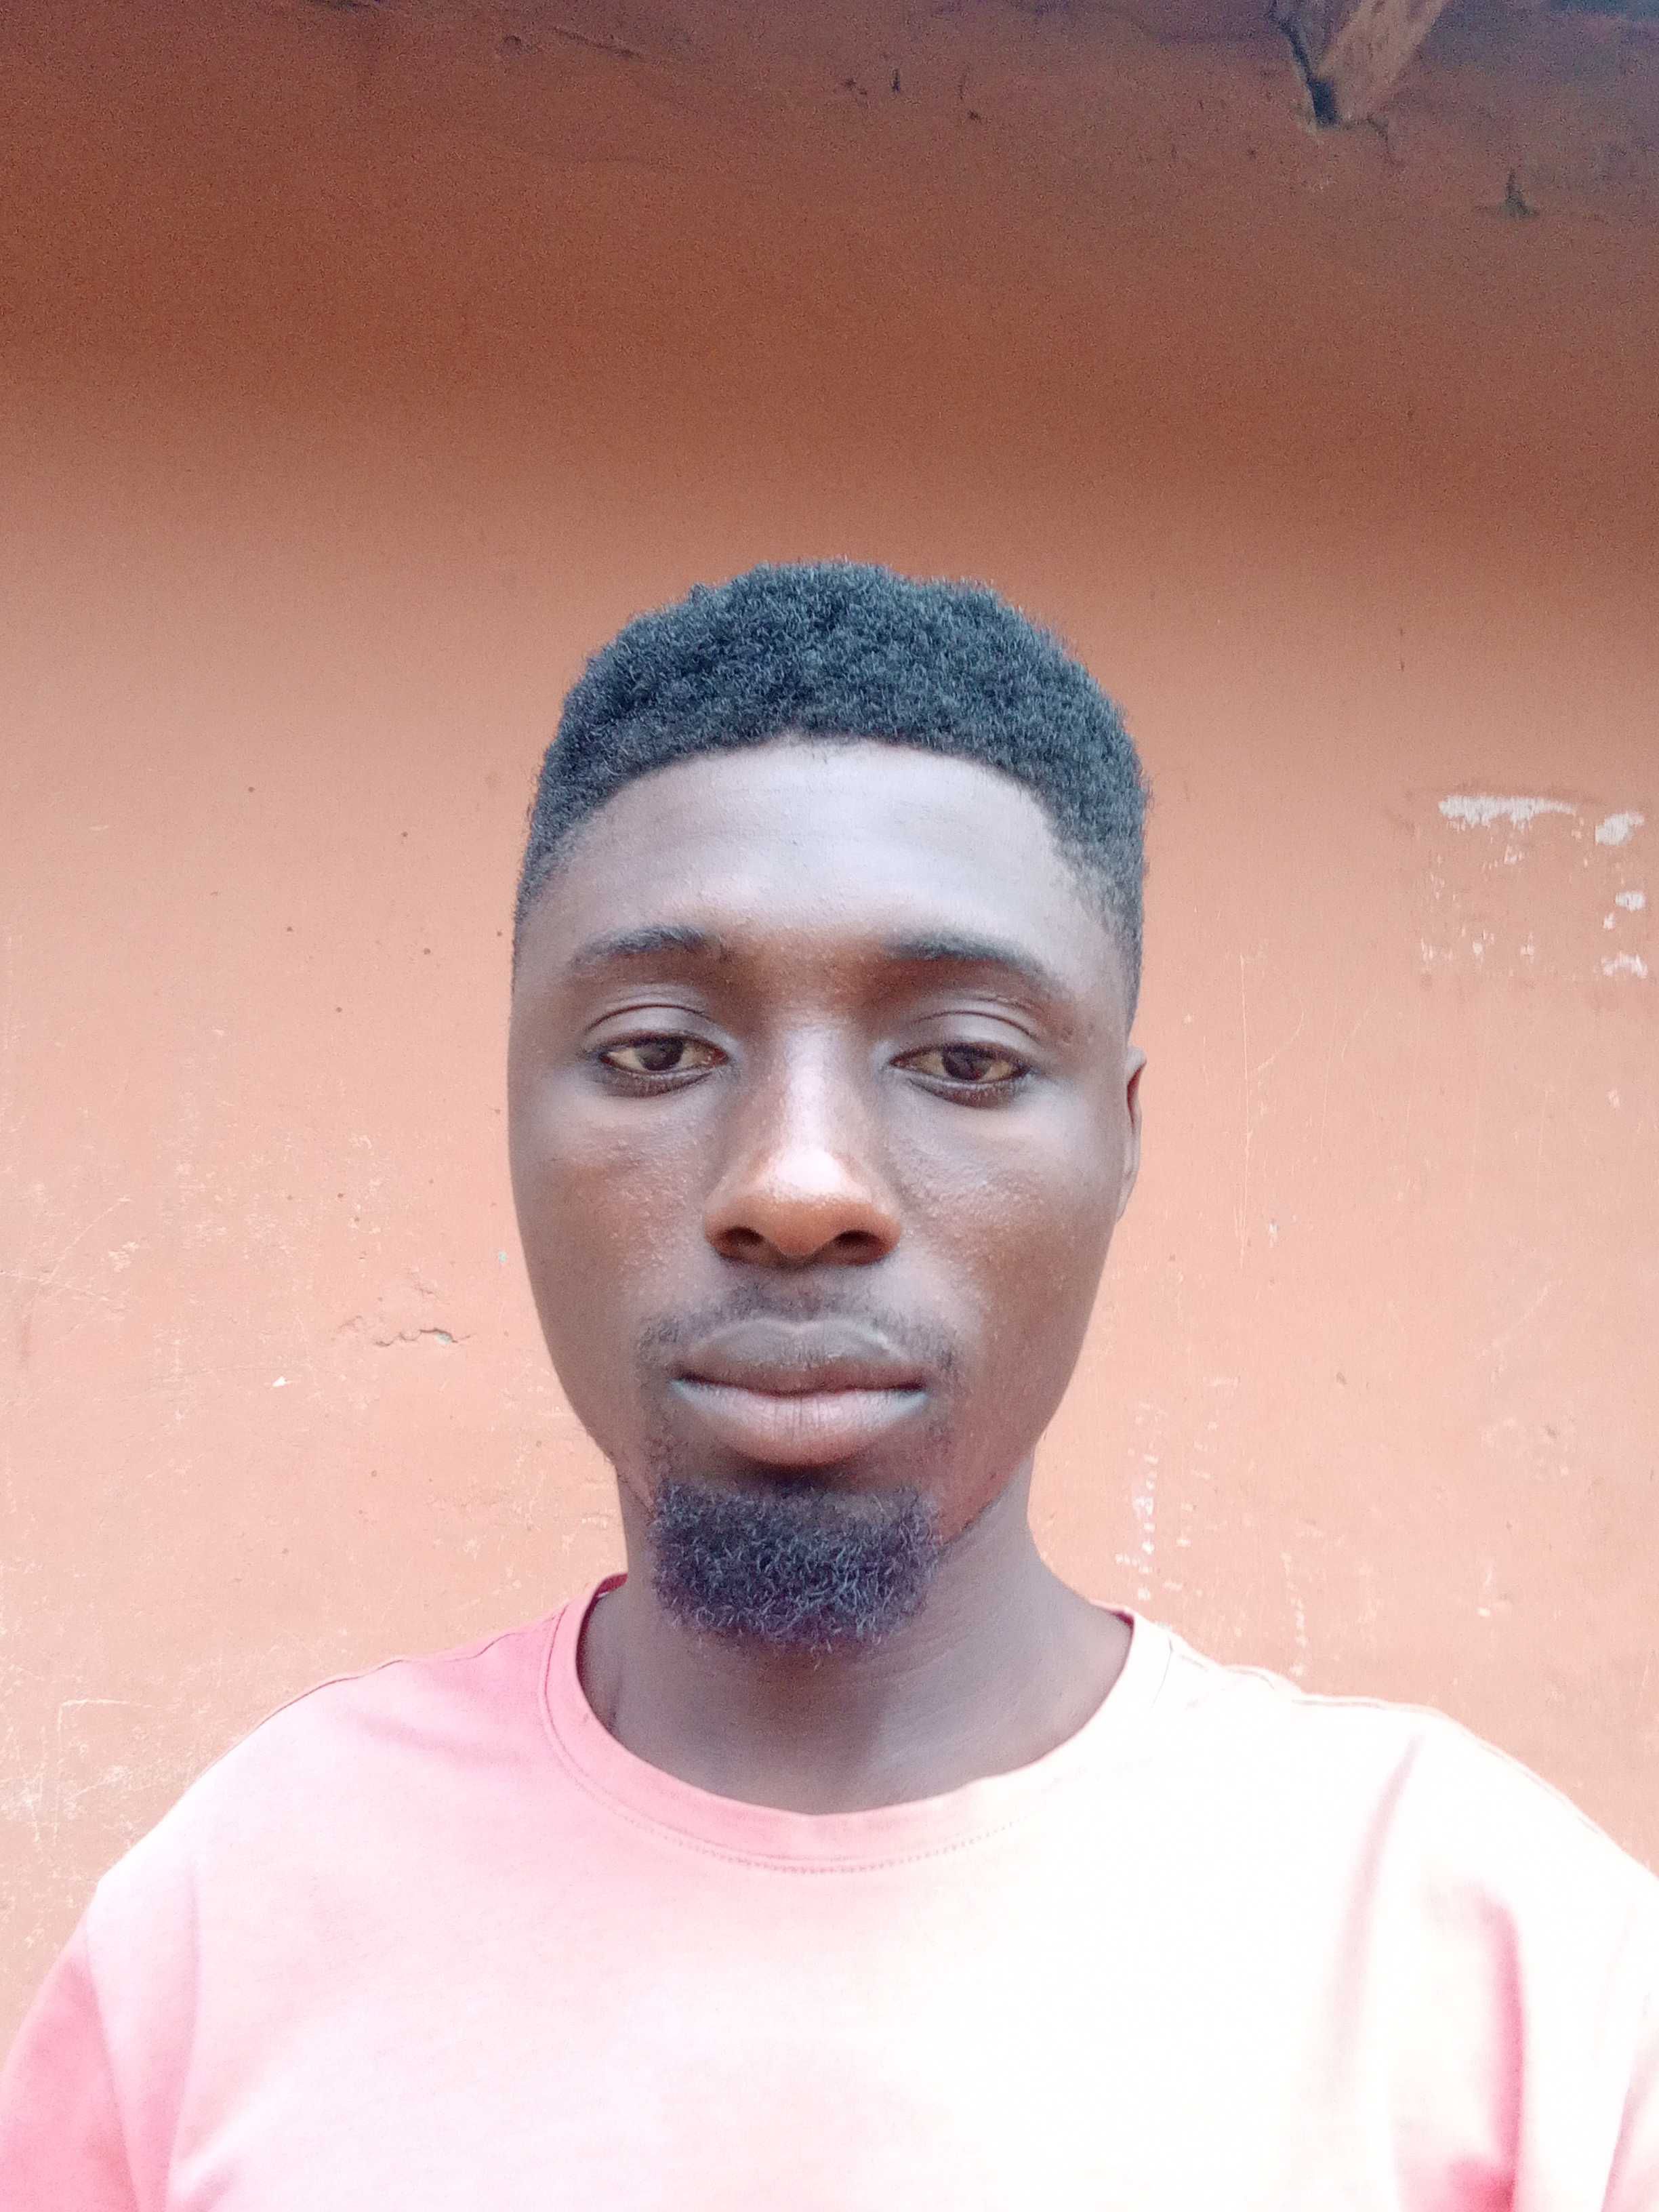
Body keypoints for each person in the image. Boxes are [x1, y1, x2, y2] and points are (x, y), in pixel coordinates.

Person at [2, 562, 1655, 2208]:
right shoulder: (232, 1917)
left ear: (1121, 1140)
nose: (798, 1186)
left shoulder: (1511, 1983)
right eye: (658, 1051)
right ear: (512, 1115)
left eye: (966, 1060)